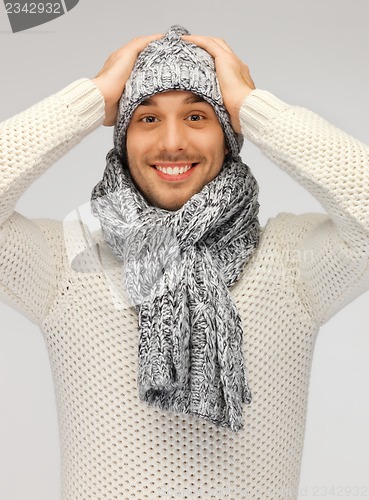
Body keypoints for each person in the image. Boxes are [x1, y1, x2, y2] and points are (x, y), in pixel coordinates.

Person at [0, 24, 368, 499]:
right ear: (122, 135)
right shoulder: (65, 261)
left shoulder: (291, 261)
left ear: (229, 131)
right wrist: (91, 98)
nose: (172, 143)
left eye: (197, 116)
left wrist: (253, 107)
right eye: (147, 119)